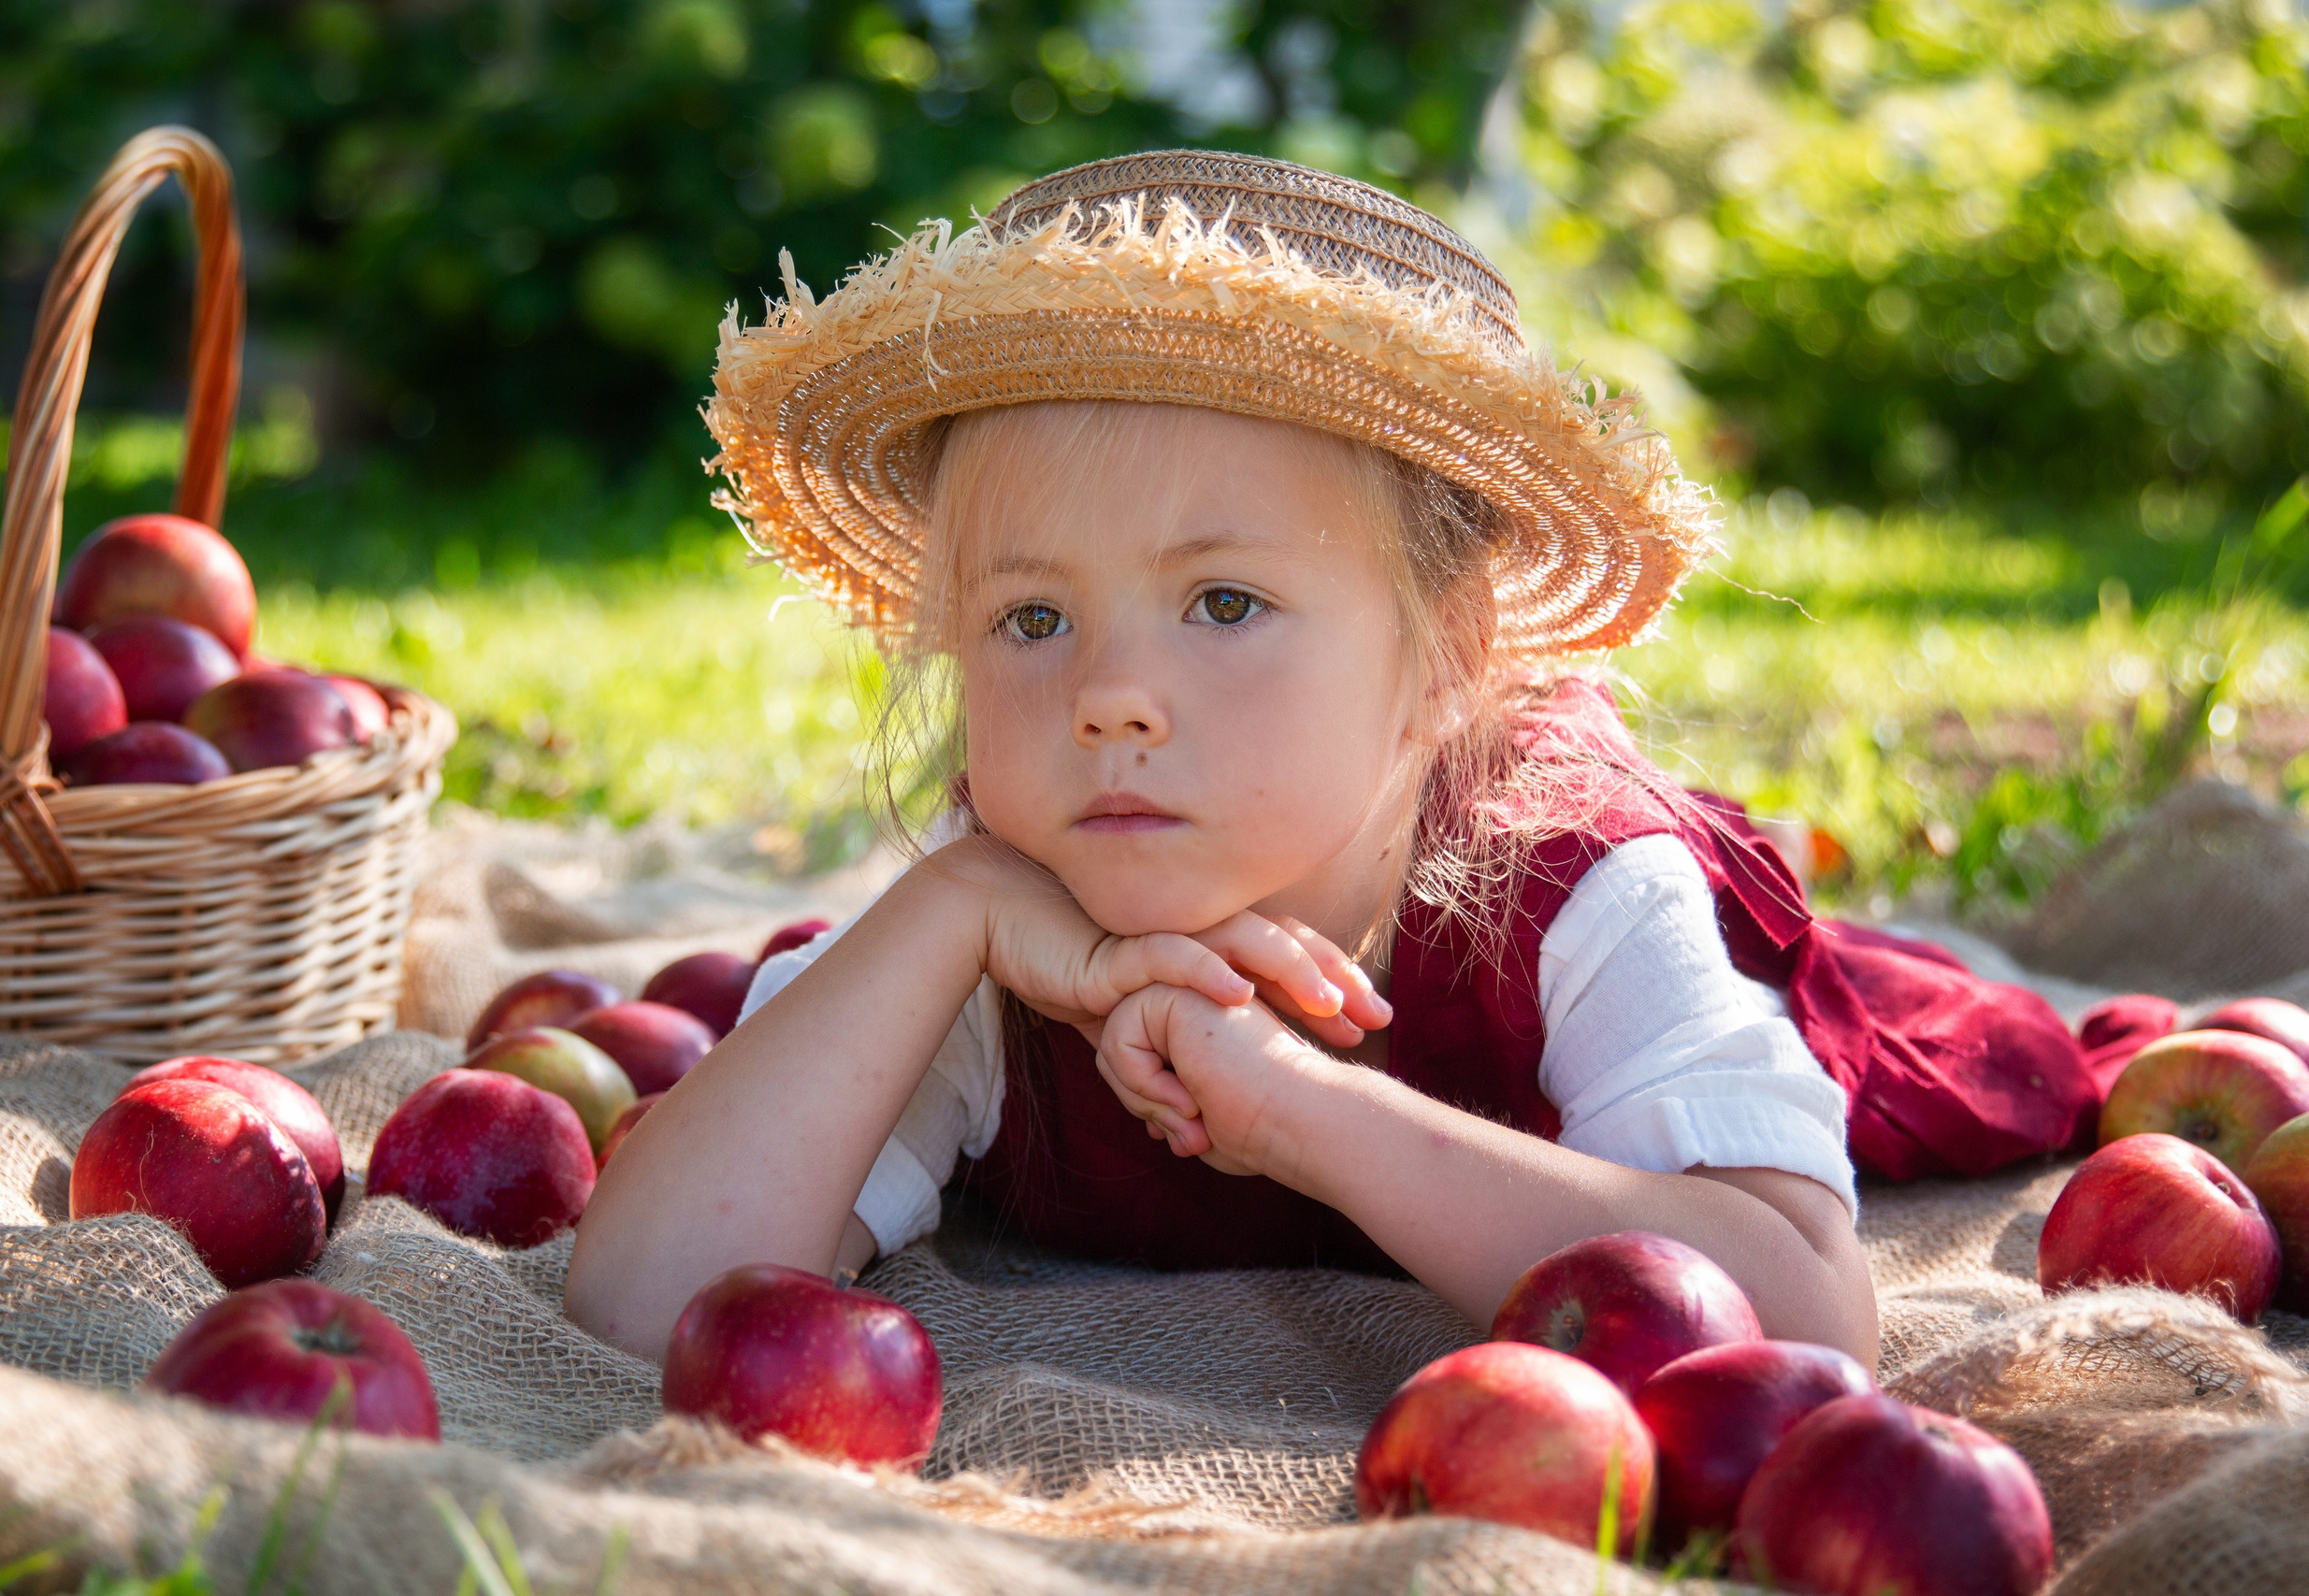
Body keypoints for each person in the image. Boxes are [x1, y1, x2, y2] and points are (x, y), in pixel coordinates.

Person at [568, 153, 2086, 1367]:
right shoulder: (1008, 903)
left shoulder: (1580, 885)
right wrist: (952, 904)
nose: (1109, 698)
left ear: (1441, 660)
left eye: (1225, 602)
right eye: (1030, 617)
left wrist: (1296, 1105)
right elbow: (648, 1299)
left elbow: (1805, 1322)